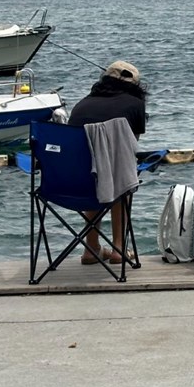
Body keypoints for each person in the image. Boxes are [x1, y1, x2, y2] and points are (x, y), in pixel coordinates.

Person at [68, 60, 147, 265]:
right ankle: (119, 248)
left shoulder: (81, 104)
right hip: (112, 181)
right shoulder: (136, 104)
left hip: (72, 181)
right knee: (121, 172)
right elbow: (131, 147)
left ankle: (91, 248)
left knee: (98, 172)